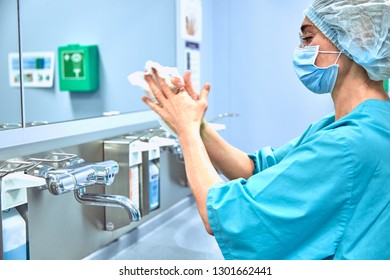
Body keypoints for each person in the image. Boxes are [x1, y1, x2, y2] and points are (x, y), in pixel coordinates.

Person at [142, 0, 390, 260]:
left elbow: (229, 217)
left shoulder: (348, 143)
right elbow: (259, 170)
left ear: (358, 41)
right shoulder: (357, 123)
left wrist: (187, 130)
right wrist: (198, 125)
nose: (299, 49)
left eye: (308, 37)